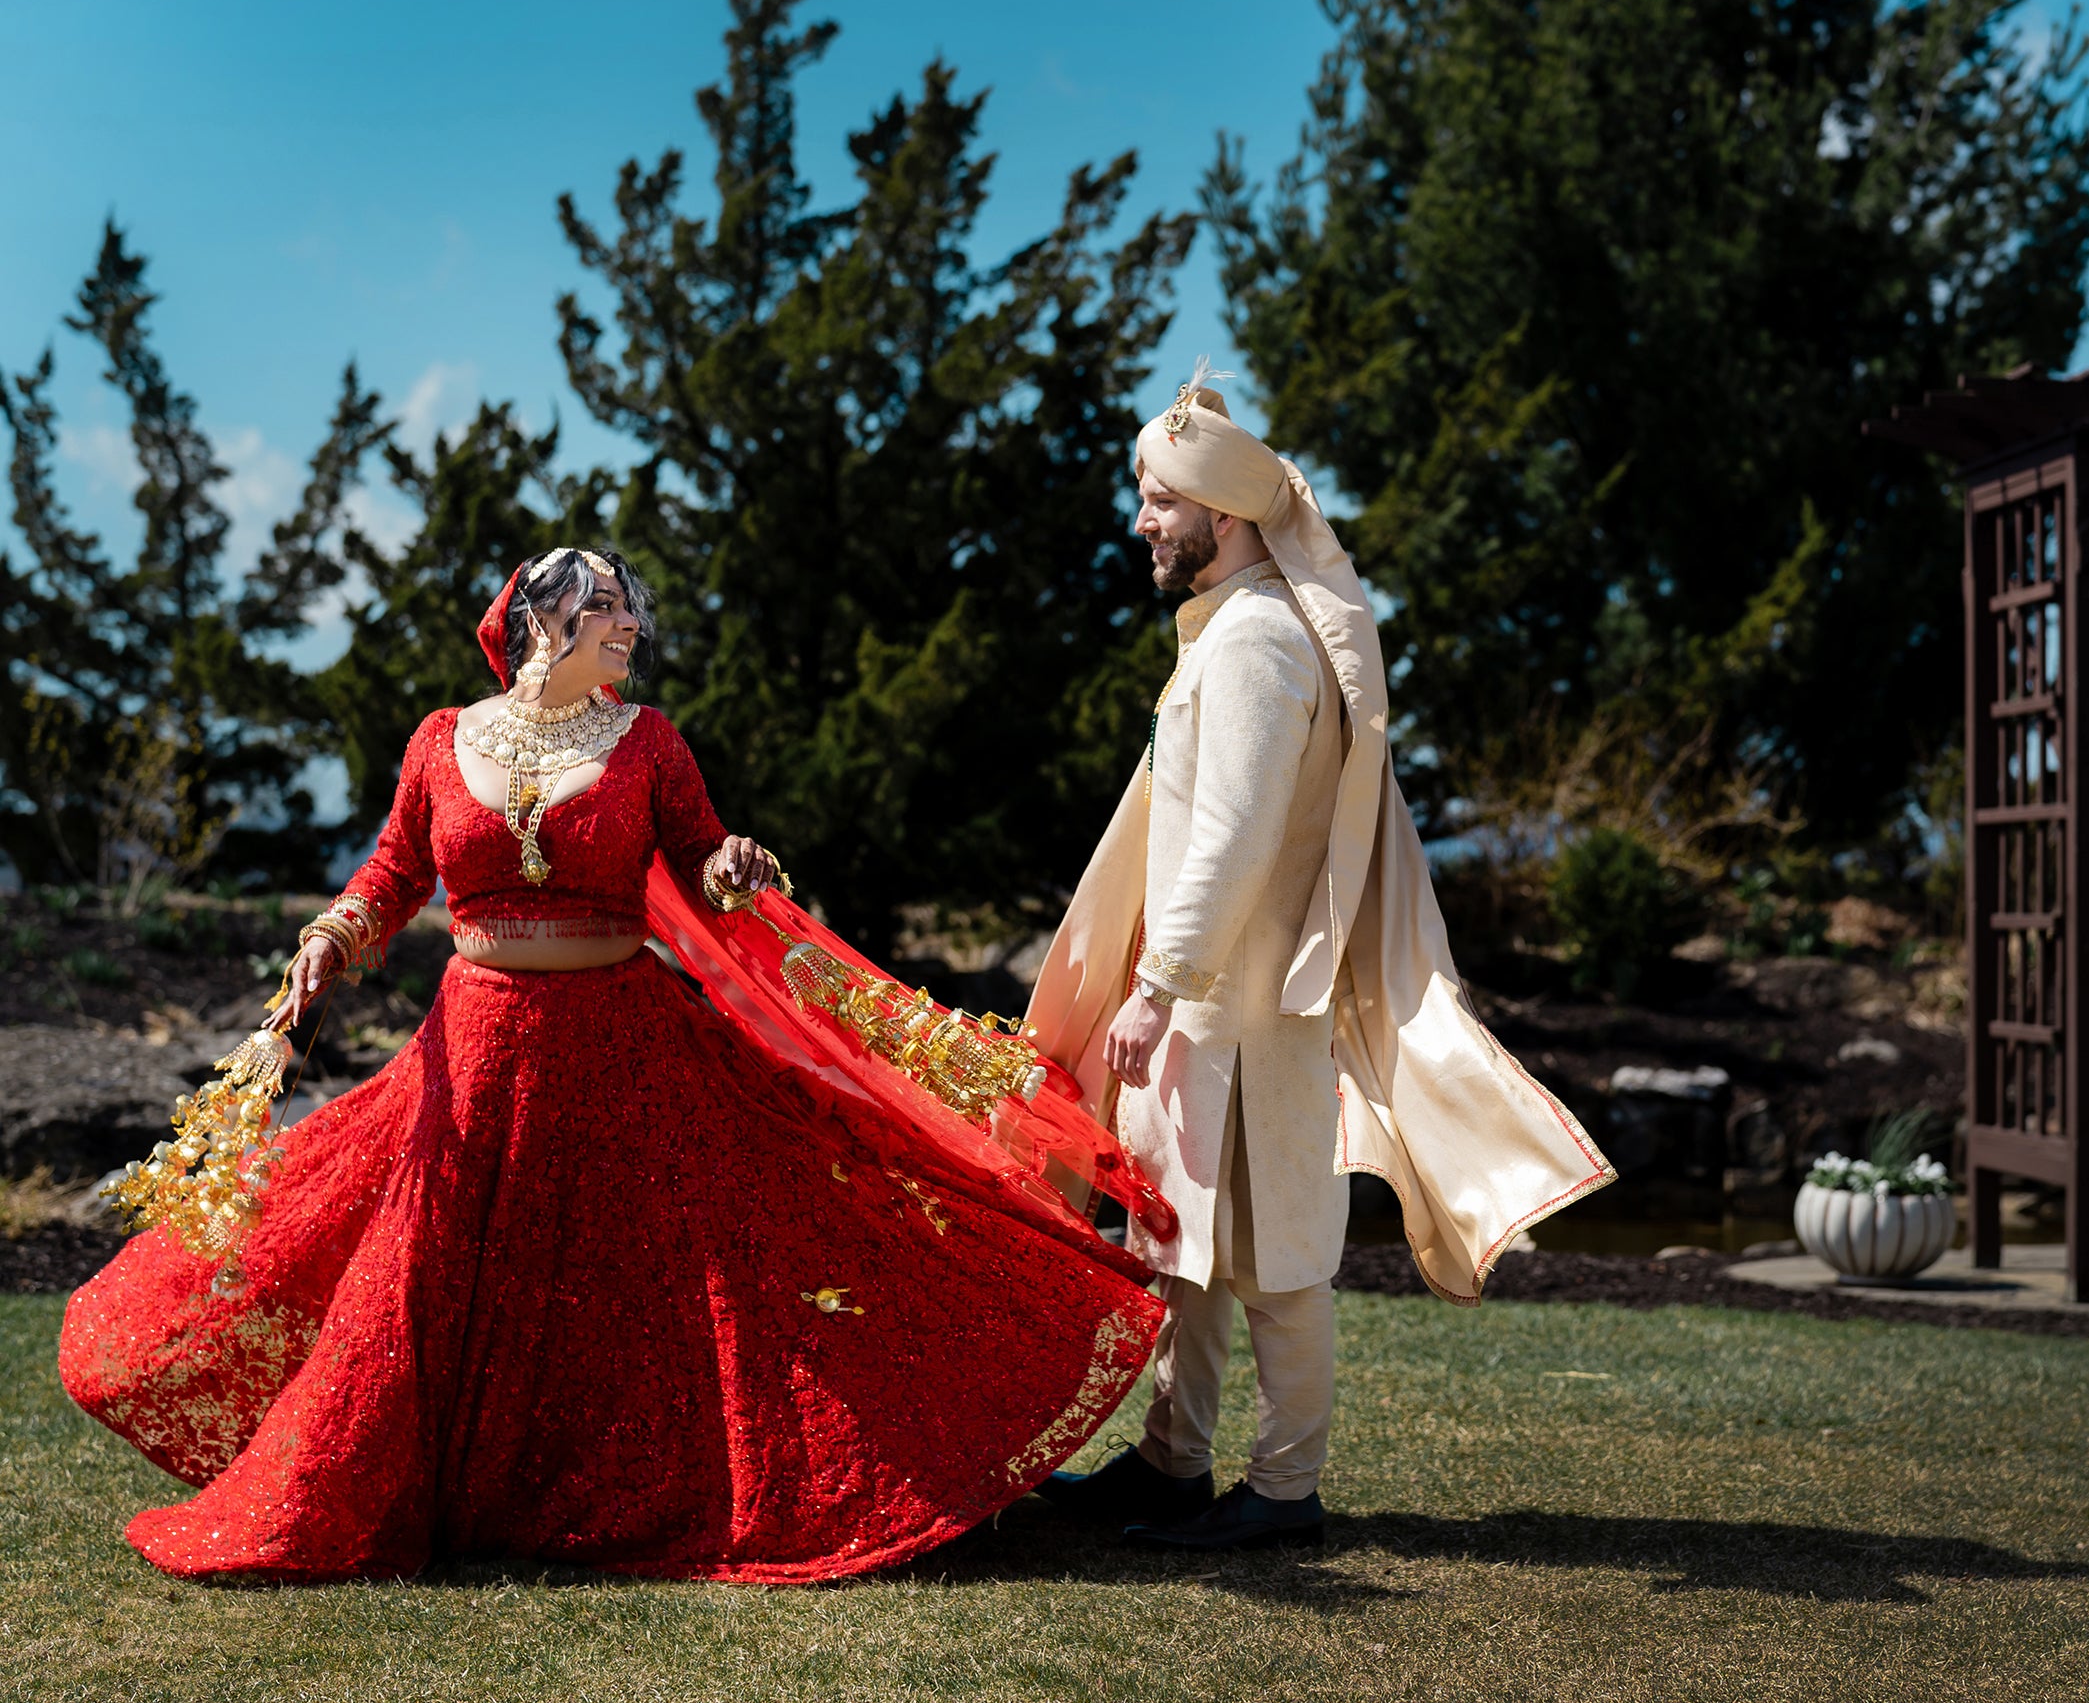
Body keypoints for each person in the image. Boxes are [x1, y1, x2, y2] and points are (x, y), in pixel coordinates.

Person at [58, 547, 1167, 1583]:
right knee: (429, 1279)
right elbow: (392, 872)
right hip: (475, 1054)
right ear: (539, 621)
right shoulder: (443, 740)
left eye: (631, 607)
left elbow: (702, 861)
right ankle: (458, 1498)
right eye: (605, 604)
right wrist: (327, 943)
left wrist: (734, 864)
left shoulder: (647, 742)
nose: (629, 622)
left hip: (627, 1048)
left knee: (660, 1284)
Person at [1027, 366, 1616, 1551]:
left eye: (1159, 501)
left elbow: (1236, 842)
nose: (1143, 522)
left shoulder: (1255, 645)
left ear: (1223, 517)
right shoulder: (1234, 632)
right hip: (1213, 1010)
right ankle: (1169, 1466)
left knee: (1279, 1257)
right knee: (1179, 1244)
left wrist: (1157, 987)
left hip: (1240, 1011)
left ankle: (1287, 1491)